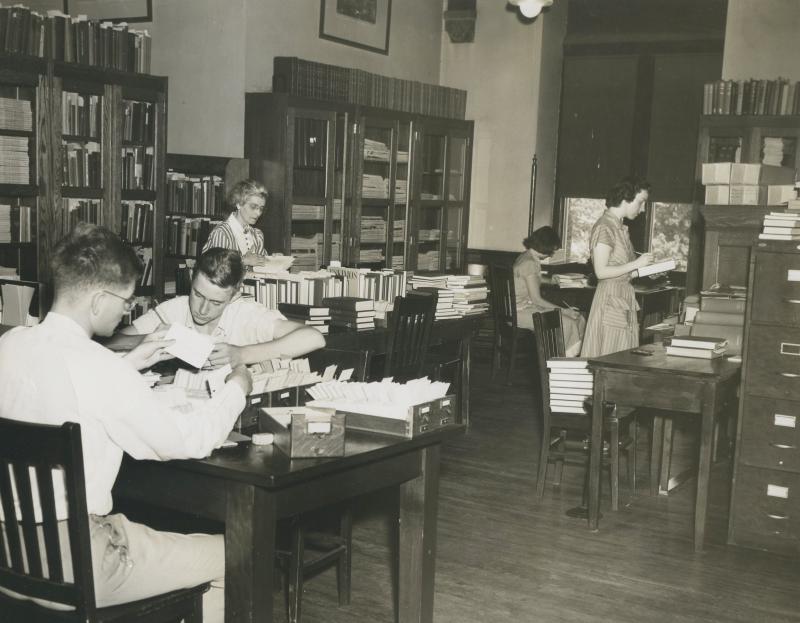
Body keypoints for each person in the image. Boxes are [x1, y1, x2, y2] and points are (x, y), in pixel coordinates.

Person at [0, 223, 252, 622]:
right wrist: (237, 387)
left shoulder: (10, 345)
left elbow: (65, 386)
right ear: (99, 300)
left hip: (11, 558)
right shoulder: (99, 368)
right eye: (126, 300)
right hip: (82, 562)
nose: (127, 311)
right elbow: (189, 440)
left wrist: (131, 362)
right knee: (240, 554)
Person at [112, 246, 325, 367]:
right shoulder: (175, 309)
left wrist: (241, 354)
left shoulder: (246, 314)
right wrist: (154, 339)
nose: (202, 310)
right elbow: (112, 342)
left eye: (215, 302)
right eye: (197, 294)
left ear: (234, 295)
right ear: (192, 281)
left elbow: (314, 338)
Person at [580, 177, 654, 357]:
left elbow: (625, 272)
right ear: (626, 198)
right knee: (611, 358)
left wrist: (649, 270)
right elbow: (601, 271)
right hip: (610, 301)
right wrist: (636, 263)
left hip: (622, 298)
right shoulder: (605, 227)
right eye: (641, 202)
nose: (643, 209)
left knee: (622, 358)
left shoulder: (619, 228)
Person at [513, 226, 586, 357]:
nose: (552, 254)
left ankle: (573, 360)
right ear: (545, 246)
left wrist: (551, 281)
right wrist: (563, 310)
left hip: (524, 308)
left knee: (579, 319)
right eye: (552, 250)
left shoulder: (526, 256)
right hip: (520, 313)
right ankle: (561, 364)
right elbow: (536, 299)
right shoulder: (529, 263)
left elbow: (529, 280)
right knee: (567, 322)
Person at [202, 178, 270, 267]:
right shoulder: (222, 232)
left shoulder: (257, 235)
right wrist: (243, 261)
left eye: (261, 208)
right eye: (253, 207)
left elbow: (262, 266)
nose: (258, 213)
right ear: (239, 204)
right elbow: (214, 267)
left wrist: (274, 260)